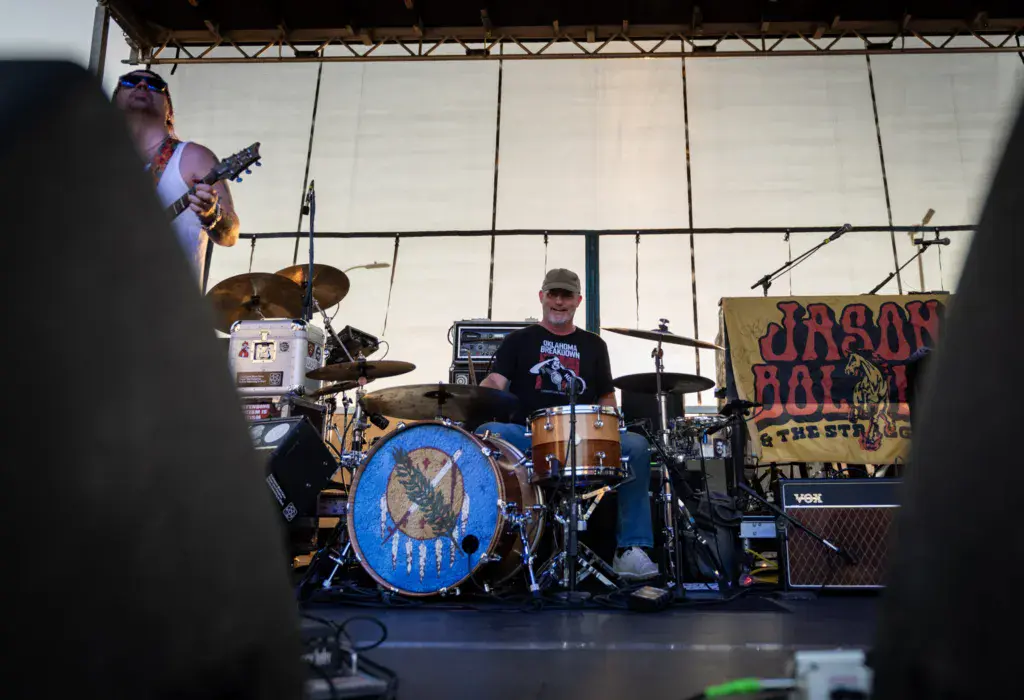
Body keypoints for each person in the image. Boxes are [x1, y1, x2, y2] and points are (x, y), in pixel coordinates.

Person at [477, 268, 658, 581]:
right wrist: (473, 396)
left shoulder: (594, 345)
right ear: (542, 296)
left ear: (578, 300)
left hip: (584, 437)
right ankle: (487, 544)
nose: (559, 301)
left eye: (566, 295)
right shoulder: (518, 341)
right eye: (553, 294)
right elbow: (496, 382)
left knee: (637, 447)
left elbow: (605, 396)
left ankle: (630, 549)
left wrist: (611, 425)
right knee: (485, 435)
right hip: (530, 437)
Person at [113, 69, 239, 284]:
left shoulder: (193, 157)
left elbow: (231, 235)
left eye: (155, 85)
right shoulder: (93, 159)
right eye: (130, 81)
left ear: (169, 110)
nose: (142, 85)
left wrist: (212, 215)